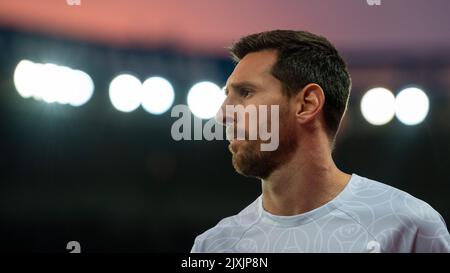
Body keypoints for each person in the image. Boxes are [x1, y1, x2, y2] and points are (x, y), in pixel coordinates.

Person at [191, 30, 450, 253]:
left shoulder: (409, 226)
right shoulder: (215, 246)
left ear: (307, 103)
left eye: (245, 93)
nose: (222, 114)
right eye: (227, 97)